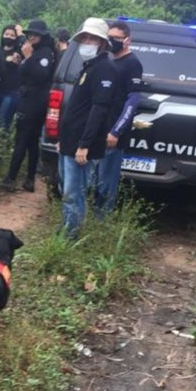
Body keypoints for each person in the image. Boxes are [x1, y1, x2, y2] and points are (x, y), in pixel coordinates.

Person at [57, 17, 117, 238]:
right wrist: (63, 141)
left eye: (93, 38)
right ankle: (66, 228)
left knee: (74, 192)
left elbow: (99, 109)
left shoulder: (105, 69)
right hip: (70, 142)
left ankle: (70, 237)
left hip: (83, 145)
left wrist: (84, 145)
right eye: (85, 38)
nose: (88, 42)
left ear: (102, 43)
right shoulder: (88, 67)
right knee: (66, 190)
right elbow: (76, 108)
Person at [93, 20, 144, 215]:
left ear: (127, 40)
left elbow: (133, 100)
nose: (111, 41)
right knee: (94, 182)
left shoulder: (132, 64)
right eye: (109, 37)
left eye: (116, 38)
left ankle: (102, 225)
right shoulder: (108, 60)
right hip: (98, 131)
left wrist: (116, 130)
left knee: (106, 184)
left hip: (113, 135)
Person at [0, 19, 56, 192]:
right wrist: (23, 61)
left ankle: (11, 178)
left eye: (35, 35)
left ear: (43, 36)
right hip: (29, 97)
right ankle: (29, 179)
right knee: (31, 141)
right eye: (30, 34)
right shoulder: (36, 51)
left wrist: (29, 58)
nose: (31, 37)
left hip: (35, 101)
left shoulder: (45, 53)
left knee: (21, 139)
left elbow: (41, 75)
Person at [0, 24, 22, 132]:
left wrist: (20, 33)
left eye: (12, 35)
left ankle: (4, 144)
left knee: (4, 120)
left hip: (12, 92)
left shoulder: (19, 52)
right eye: (6, 34)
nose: (9, 37)